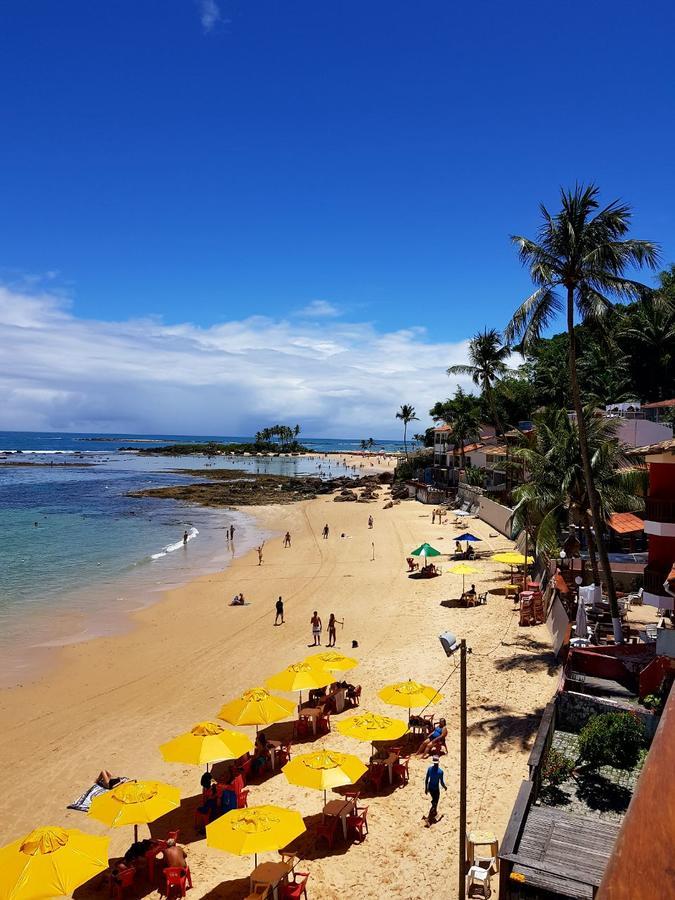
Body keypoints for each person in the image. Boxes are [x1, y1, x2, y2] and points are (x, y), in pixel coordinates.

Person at [424, 756, 447, 823]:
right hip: (436, 789)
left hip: (430, 788)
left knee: (434, 800)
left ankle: (435, 812)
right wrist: (445, 787)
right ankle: (428, 819)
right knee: (435, 802)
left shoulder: (429, 769)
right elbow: (441, 782)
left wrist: (426, 788)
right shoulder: (440, 772)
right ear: (438, 762)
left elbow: (426, 779)